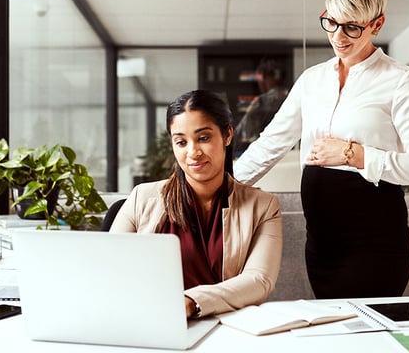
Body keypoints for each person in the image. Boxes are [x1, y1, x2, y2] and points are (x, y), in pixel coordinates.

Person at [234, 0, 409, 299]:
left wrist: (353, 154)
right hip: (322, 244)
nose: (338, 36)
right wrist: (215, 187)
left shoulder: (400, 81)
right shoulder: (311, 80)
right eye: (331, 22)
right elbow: (271, 143)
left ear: (377, 24)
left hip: (375, 244)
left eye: (352, 27)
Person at [110, 89, 283, 318]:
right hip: (153, 320)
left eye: (203, 138)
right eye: (181, 142)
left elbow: (259, 280)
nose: (193, 152)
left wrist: (192, 302)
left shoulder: (263, 206)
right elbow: (111, 268)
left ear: (227, 135)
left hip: (226, 326)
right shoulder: (141, 198)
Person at [236, 58, 289, 148]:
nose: (258, 83)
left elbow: (243, 132)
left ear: (266, 78)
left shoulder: (261, 101)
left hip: (266, 149)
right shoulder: (292, 97)